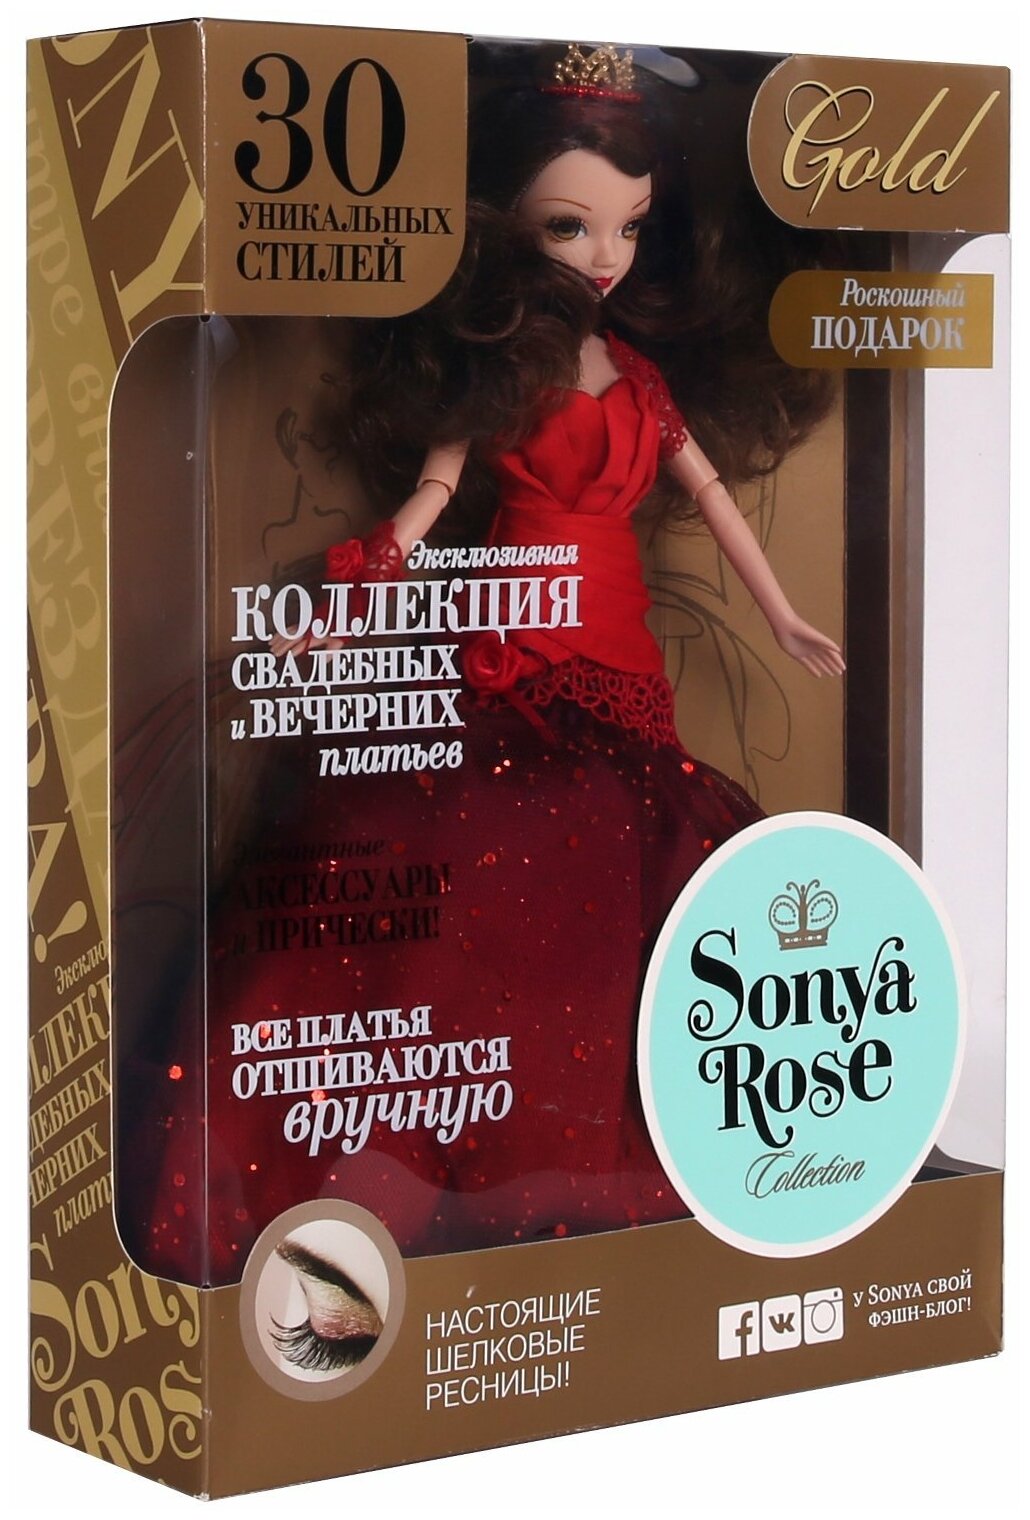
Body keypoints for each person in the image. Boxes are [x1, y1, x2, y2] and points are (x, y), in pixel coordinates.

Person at [127, 44, 842, 1286]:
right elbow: (430, 494)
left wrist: (781, 614)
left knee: (648, 862)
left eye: (628, 226)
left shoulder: (643, 379)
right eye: (570, 224)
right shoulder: (506, 367)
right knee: (483, 851)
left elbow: (711, 495)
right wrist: (354, 590)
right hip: (509, 640)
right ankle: (410, 1159)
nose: (604, 255)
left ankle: (652, 1170)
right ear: (504, 225)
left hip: (617, 653)